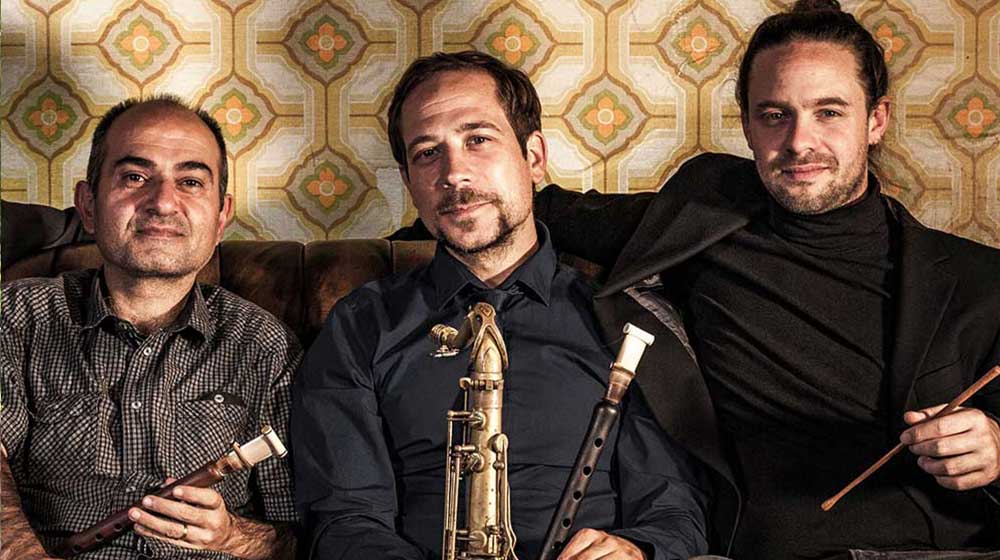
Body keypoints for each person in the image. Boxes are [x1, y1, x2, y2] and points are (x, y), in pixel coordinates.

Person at [530, 1, 1000, 558]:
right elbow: (527, 208)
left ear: (876, 120)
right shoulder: (699, 220)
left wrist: (996, 446)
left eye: (829, 112)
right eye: (775, 115)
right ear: (748, 127)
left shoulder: (978, 279)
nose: (800, 142)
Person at [291, 51, 711, 560]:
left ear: (534, 157)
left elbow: (674, 512)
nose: (454, 173)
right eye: (427, 153)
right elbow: (344, 520)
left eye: (478, 140)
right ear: (409, 183)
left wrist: (637, 550)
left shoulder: (623, 322)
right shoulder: (361, 326)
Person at [0, 96, 300, 559]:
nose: (162, 202)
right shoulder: (18, 314)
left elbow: (303, 536)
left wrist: (232, 536)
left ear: (221, 216)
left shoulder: (266, 346)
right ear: (88, 205)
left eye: (190, 182)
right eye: (135, 178)